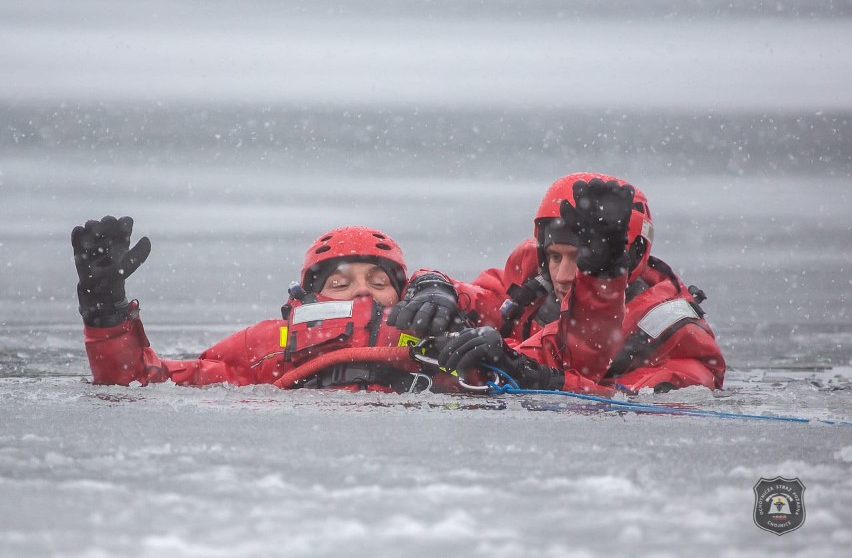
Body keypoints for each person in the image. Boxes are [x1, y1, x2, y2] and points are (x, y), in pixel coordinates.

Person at [389, 173, 726, 394]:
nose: (564, 275)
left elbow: (624, 406)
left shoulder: (678, 334)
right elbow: (485, 297)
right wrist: (433, 286)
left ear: (626, 255)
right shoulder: (532, 280)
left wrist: (534, 377)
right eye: (555, 256)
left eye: (581, 260)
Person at [73, 216, 460, 393]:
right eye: (340, 283)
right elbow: (142, 378)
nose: (363, 292)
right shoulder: (267, 344)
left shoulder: (436, 334)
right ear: (308, 297)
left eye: (378, 282)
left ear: (403, 293)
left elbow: (513, 366)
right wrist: (108, 313)